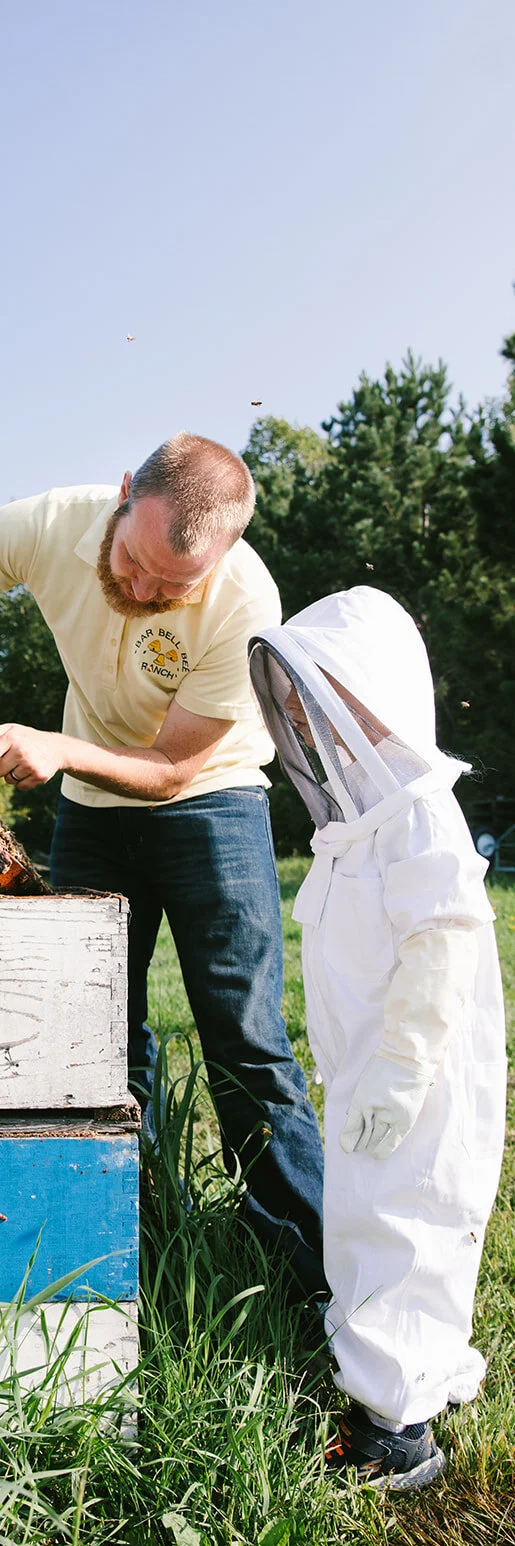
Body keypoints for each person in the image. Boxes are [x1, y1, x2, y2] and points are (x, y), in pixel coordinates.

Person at [0, 432, 326, 1289]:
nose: (145, 591)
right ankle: (131, 1227)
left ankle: (309, 1271)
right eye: (133, 562)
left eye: (172, 585)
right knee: (96, 1036)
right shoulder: (45, 525)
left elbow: (171, 769)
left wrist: (61, 749)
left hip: (211, 807)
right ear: (121, 496)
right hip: (90, 814)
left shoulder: (245, 603)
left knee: (244, 1041)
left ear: (223, 555)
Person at [249, 587, 506, 1490]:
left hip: (417, 1071)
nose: (300, 714)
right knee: (369, 1212)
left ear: (377, 691)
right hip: (370, 1069)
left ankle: (399, 1433)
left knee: (410, 1218)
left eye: (319, 693)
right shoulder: (360, 819)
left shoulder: (419, 813)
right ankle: (400, 1367)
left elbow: (444, 941)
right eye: (292, 698)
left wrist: (399, 1070)